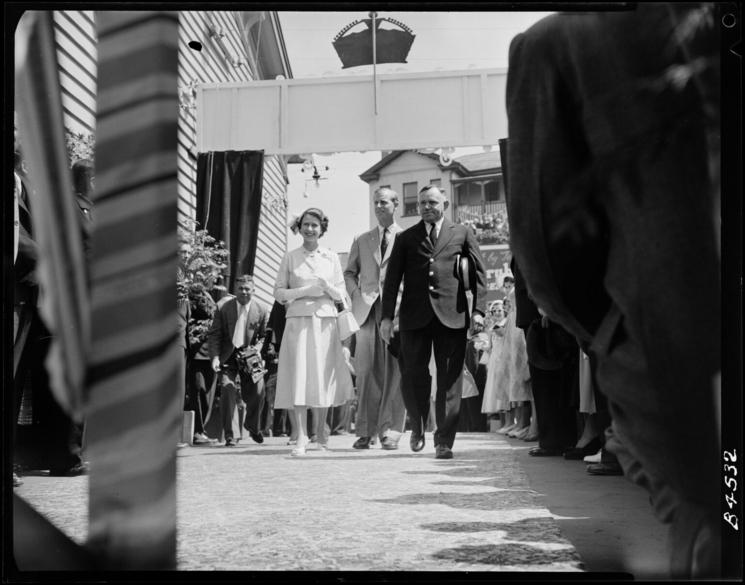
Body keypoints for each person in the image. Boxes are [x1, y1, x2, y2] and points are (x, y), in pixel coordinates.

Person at [505, 5, 721, 578]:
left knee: (715, 522)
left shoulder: (561, 42)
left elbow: (544, 251)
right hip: (672, 349)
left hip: (676, 355)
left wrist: (612, 338)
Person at [380, 185, 486, 460]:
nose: (426, 207)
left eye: (432, 202)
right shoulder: (406, 237)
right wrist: (387, 317)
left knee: (450, 381)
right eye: (422, 203)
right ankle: (417, 425)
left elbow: (479, 274)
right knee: (413, 374)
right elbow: (391, 281)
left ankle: (444, 441)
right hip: (414, 319)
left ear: (445, 204)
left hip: (452, 317)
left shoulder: (461, 233)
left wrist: (479, 312)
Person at [273, 208, 355, 456]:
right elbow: (278, 293)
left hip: (325, 322)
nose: (310, 229)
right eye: (306, 224)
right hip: (298, 321)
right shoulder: (290, 257)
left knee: (321, 376)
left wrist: (326, 287)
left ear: (322, 229)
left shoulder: (330, 257)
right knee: (298, 375)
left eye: (315, 226)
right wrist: (304, 291)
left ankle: (321, 435)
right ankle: (301, 436)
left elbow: (342, 296)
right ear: (300, 227)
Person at [344, 187, 406, 450]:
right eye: (376, 202)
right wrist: (358, 295)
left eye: (385, 202)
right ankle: (365, 431)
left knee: (395, 372)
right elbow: (349, 273)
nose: (379, 206)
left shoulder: (407, 237)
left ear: (396, 205)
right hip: (368, 312)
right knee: (367, 373)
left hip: (398, 312)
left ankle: (390, 431)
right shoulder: (362, 239)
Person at [207, 275, 268, 447]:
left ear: (253, 291)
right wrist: (215, 357)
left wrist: (257, 349)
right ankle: (230, 435)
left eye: (247, 288)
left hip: (249, 357)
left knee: (258, 390)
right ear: (235, 290)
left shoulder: (261, 309)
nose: (244, 292)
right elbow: (215, 334)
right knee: (228, 389)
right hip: (228, 356)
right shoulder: (223, 307)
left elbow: (264, 336)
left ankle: (252, 426)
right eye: (241, 288)